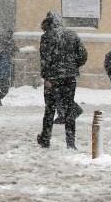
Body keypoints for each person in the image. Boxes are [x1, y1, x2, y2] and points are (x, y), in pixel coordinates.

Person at [37, 12, 87, 150]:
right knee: (69, 108)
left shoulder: (46, 37)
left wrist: (46, 78)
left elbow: (45, 60)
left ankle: (45, 139)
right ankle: (70, 142)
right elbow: (83, 55)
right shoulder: (72, 35)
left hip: (52, 79)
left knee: (49, 110)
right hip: (69, 78)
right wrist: (73, 66)